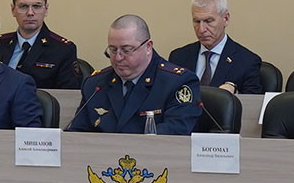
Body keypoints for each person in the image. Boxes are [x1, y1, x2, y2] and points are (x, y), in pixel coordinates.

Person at [66, 15, 201, 134]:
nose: (118, 58)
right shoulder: (96, 85)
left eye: (126, 50)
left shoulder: (176, 82)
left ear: (148, 47)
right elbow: (76, 134)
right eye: (113, 50)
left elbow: (176, 134)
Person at [167, 0, 264, 92]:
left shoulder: (247, 61)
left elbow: (252, 100)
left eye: (208, 21)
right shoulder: (178, 58)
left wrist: (233, 95)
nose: (202, 29)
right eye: (197, 21)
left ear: (226, 19)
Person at [0, 0, 82, 89]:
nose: (30, 13)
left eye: (36, 6)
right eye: (23, 6)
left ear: (46, 9)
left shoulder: (63, 50)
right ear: (13, 10)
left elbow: (69, 95)